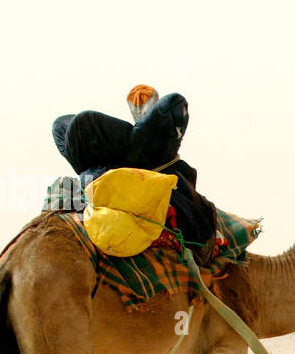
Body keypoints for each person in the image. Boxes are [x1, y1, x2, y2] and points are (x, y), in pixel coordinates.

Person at [51, 85, 220, 263]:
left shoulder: (164, 170)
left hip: (116, 172)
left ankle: (140, 135)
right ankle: (141, 135)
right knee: (73, 125)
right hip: (111, 172)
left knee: (79, 125)